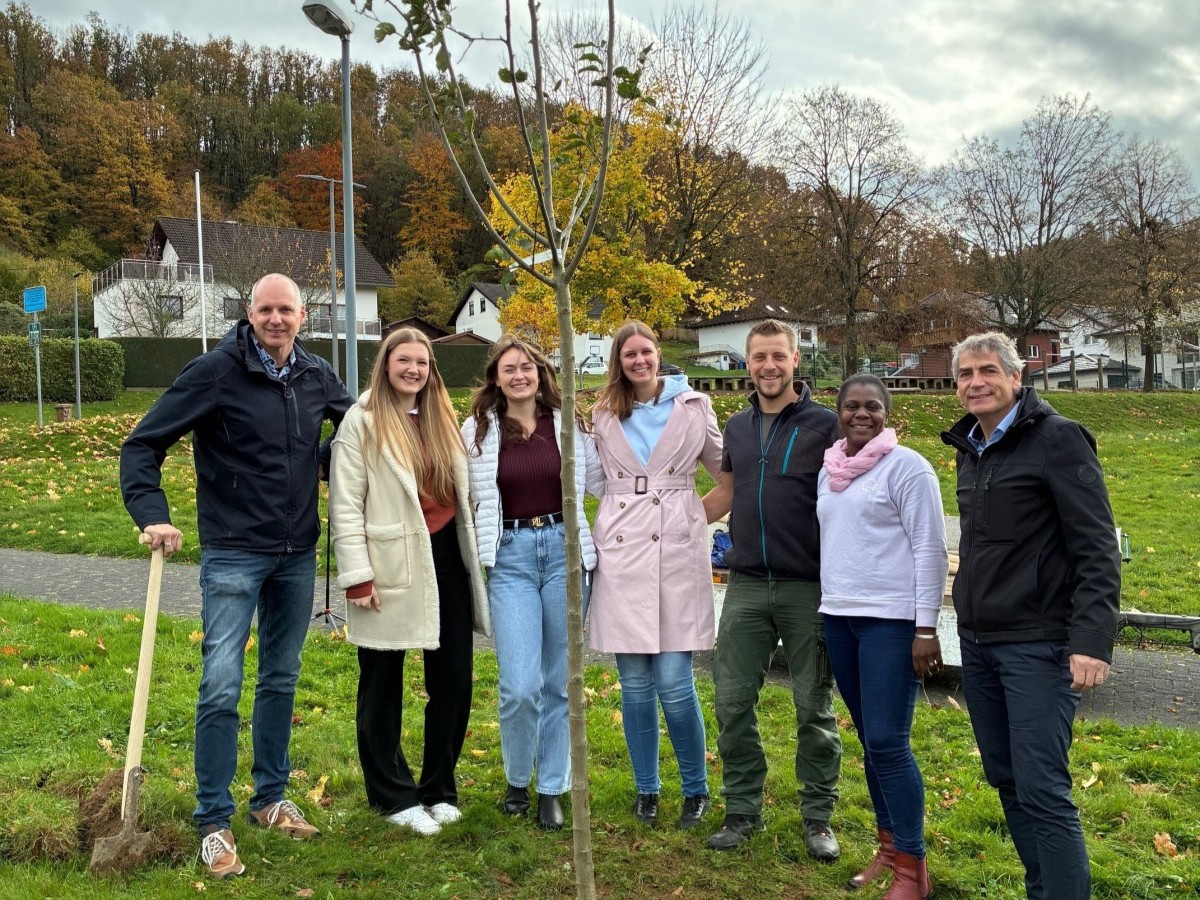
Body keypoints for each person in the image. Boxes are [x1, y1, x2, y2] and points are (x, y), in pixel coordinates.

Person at [119, 273, 353, 878]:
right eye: (266, 309)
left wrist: (321, 462)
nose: (277, 319)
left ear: (304, 314)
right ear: (249, 313)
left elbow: (358, 435)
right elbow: (142, 445)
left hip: (297, 553)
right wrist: (153, 515)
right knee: (221, 682)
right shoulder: (215, 371)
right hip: (232, 552)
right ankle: (213, 821)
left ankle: (271, 799)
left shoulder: (315, 374)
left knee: (281, 677)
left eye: (287, 310)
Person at [941, 332, 1120, 900]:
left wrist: (1091, 640)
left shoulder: (1059, 440)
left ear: (1017, 377)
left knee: (1043, 788)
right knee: (1009, 781)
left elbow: (1096, 547)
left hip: (1039, 645)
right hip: (978, 642)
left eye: (988, 371)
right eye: (965, 373)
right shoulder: (971, 447)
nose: (976, 382)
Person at [329, 328, 490, 837]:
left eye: (422, 362)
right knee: (382, 682)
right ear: (386, 364)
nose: (413, 369)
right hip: (389, 562)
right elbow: (345, 503)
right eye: (404, 360)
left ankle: (439, 787)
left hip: (448, 559)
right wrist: (357, 577)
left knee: (454, 680)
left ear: (431, 369)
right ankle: (393, 794)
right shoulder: (363, 421)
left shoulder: (443, 420)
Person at [701, 318, 842, 859]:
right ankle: (741, 810)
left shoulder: (824, 425)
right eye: (758, 357)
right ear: (747, 361)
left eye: (777, 356)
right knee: (732, 700)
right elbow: (727, 493)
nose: (768, 366)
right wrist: (671, 520)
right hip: (746, 585)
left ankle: (818, 817)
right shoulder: (735, 428)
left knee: (813, 704)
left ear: (795, 360)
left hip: (808, 586)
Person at [460, 336, 605, 831]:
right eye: (509, 369)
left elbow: (608, 482)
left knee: (559, 683)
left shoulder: (569, 428)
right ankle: (517, 779)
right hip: (512, 559)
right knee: (519, 686)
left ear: (541, 373)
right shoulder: (477, 432)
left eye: (527, 367)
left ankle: (552, 789)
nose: (519, 375)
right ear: (495, 379)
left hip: (565, 555)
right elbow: (453, 490)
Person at [588, 321, 722, 830]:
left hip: (677, 554)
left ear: (658, 355)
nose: (639, 361)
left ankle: (696, 788)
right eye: (629, 355)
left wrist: (688, 520)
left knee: (674, 681)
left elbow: (724, 475)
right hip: (623, 553)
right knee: (635, 687)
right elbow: (598, 482)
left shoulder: (693, 406)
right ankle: (647, 789)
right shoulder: (602, 415)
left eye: (646, 352)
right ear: (618, 362)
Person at [817, 374, 947, 899]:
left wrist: (926, 627)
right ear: (839, 412)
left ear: (887, 413)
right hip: (839, 618)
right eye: (852, 406)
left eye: (872, 406)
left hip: (891, 624)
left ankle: (913, 871)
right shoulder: (830, 472)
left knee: (890, 743)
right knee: (872, 742)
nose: (861, 414)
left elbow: (930, 549)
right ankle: (888, 849)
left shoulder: (909, 468)